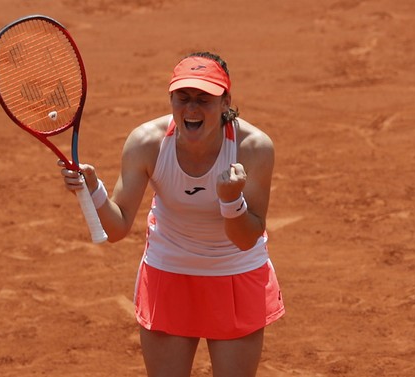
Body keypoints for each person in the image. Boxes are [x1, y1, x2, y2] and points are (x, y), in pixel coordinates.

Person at [60, 51, 285, 377]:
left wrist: (231, 202)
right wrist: (91, 189)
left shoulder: (253, 147)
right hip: (169, 276)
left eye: (204, 98)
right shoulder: (146, 143)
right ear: (171, 98)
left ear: (225, 102)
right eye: (183, 97)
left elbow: (247, 238)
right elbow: (117, 228)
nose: (191, 108)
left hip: (235, 275)